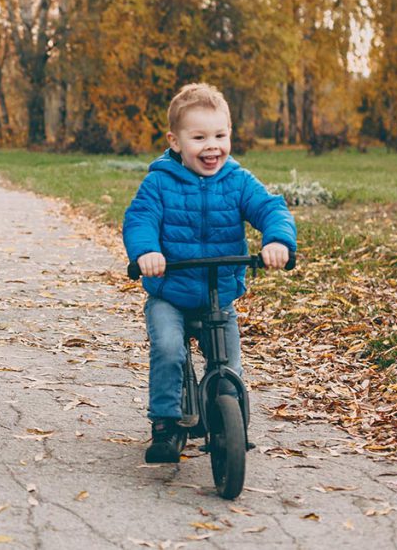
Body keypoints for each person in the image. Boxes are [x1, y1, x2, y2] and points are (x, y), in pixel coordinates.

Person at [122, 83, 297, 463]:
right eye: (199, 137)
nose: (212, 146)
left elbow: (270, 208)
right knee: (169, 350)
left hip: (219, 295)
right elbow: (140, 219)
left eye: (220, 135)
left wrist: (277, 240)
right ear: (176, 141)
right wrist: (147, 251)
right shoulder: (159, 182)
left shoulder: (237, 181)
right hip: (171, 293)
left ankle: (228, 421)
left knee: (228, 363)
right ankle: (166, 426)